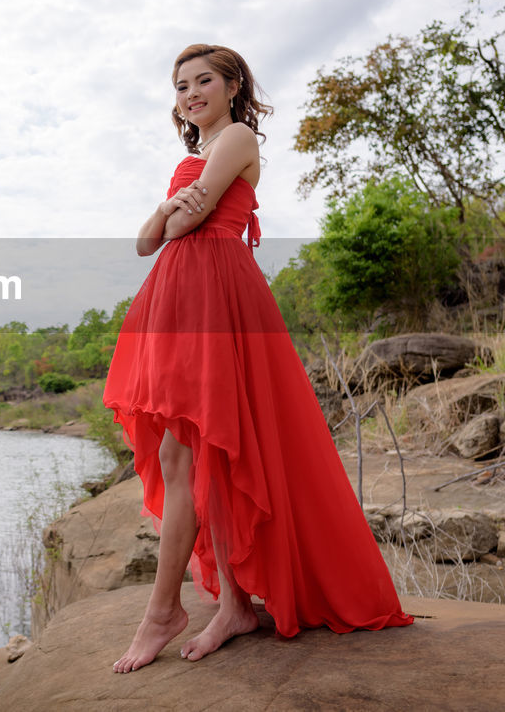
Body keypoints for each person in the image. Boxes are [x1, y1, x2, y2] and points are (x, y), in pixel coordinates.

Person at [103, 44, 413, 674]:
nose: (191, 93)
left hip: (219, 295)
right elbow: (145, 244)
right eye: (181, 85)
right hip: (182, 297)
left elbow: (187, 224)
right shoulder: (193, 156)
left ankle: (165, 611)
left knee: (195, 447)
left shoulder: (239, 136)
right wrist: (168, 211)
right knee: (193, 447)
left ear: (232, 83)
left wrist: (169, 213)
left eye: (204, 80)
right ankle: (235, 605)